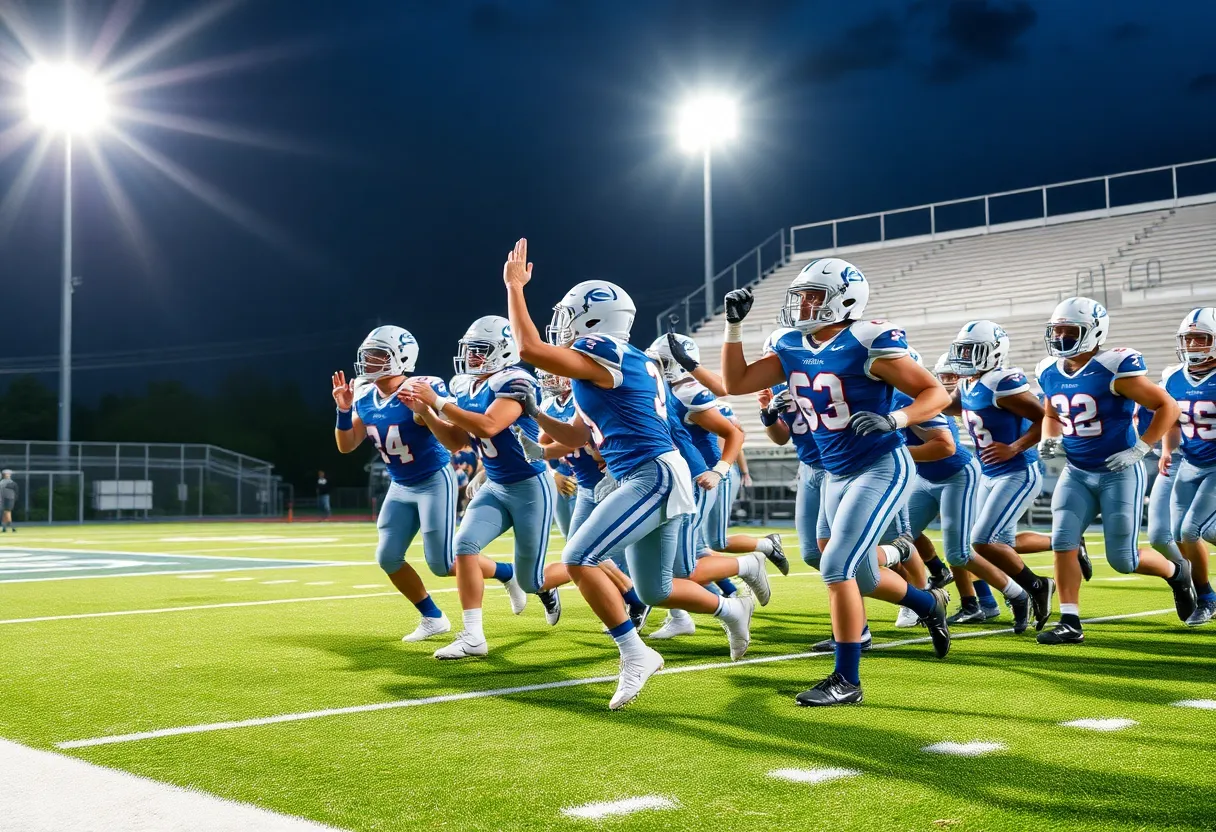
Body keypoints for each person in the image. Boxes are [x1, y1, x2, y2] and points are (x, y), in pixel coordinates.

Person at [502, 238, 754, 710]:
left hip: (650, 473)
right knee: (656, 589)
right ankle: (730, 607)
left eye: (569, 315)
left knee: (580, 557)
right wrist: (537, 422)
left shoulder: (608, 351)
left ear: (593, 318)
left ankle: (634, 653)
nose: (563, 325)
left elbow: (528, 347)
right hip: (646, 472)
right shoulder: (602, 368)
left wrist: (515, 288)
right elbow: (577, 436)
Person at [721, 257, 952, 707]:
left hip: (881, 466)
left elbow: (936, 392)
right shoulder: (791, 343)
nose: (803, 305)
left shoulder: (867, 340)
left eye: (813, 297)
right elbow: (737, 382)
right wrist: (734, 328)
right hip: (833, 471)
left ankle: (847, 680)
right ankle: (929, 604)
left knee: (836, 567)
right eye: (802, 296)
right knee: (859, 572)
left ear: (842, 301)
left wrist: (895, 418)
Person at [1036, 297, 1194, 644]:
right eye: (1057, 330)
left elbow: (1166, 405)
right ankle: (1070, 620)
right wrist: (1050, 437)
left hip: (1118, 471)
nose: (1061, 337)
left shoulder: (1113, 367)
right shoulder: (1049, 370)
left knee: (1123, 560)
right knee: (1062, 541)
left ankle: (1177, 571)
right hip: (1076, 470)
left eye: (1069, 330)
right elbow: (1050, 414)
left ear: (1094, 332)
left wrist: (1143, 446)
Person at [333, 326, 504, 643]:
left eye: (378, 354)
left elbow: (456, 443)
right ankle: (432, 617)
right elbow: (347, 445)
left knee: (442, 563)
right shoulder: (366, 395)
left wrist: (427, 410)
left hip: (432, 480)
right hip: (400, 484)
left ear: (400, 358)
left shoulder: (421, 387)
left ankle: (508, 575)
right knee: (387, 557)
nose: (368, 360)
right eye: (368, 354)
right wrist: (344, 411)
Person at [402, 315, 557, 658]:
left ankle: (567, 580)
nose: (472, 356)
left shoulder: (515, 379)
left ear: (502, 350)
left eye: (481, 349)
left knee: (533, 581)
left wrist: (440, 403)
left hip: (531, 487)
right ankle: (473, 636)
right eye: (470, 349)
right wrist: (427, 413)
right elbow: (457, 441)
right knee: (465, 546)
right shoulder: (463, 384)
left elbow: (488, 426)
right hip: (496, 485)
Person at [945, 320, 1063, 631]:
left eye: (972, 350)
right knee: (998, 543)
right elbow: (951, 407)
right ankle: (1024, 590)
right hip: (989, 472)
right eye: (963, 349)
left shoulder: (1001, 382)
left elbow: (1046, 417)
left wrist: (1015, 447)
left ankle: (1036, 585)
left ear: (993, 353)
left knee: (981, 540)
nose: (965, 356)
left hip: (1017, 470)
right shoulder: (968, 383)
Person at [1162, 307, 1216, 625]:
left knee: (1190, 529)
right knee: (1176, 533)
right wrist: (1168, 450)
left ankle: (1207, 598)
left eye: (1200, 337)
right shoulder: (1172, 376)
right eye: (1189, 338)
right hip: (1190, 462)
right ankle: (1207, 595)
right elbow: (1170, 420)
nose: (1193, 344)